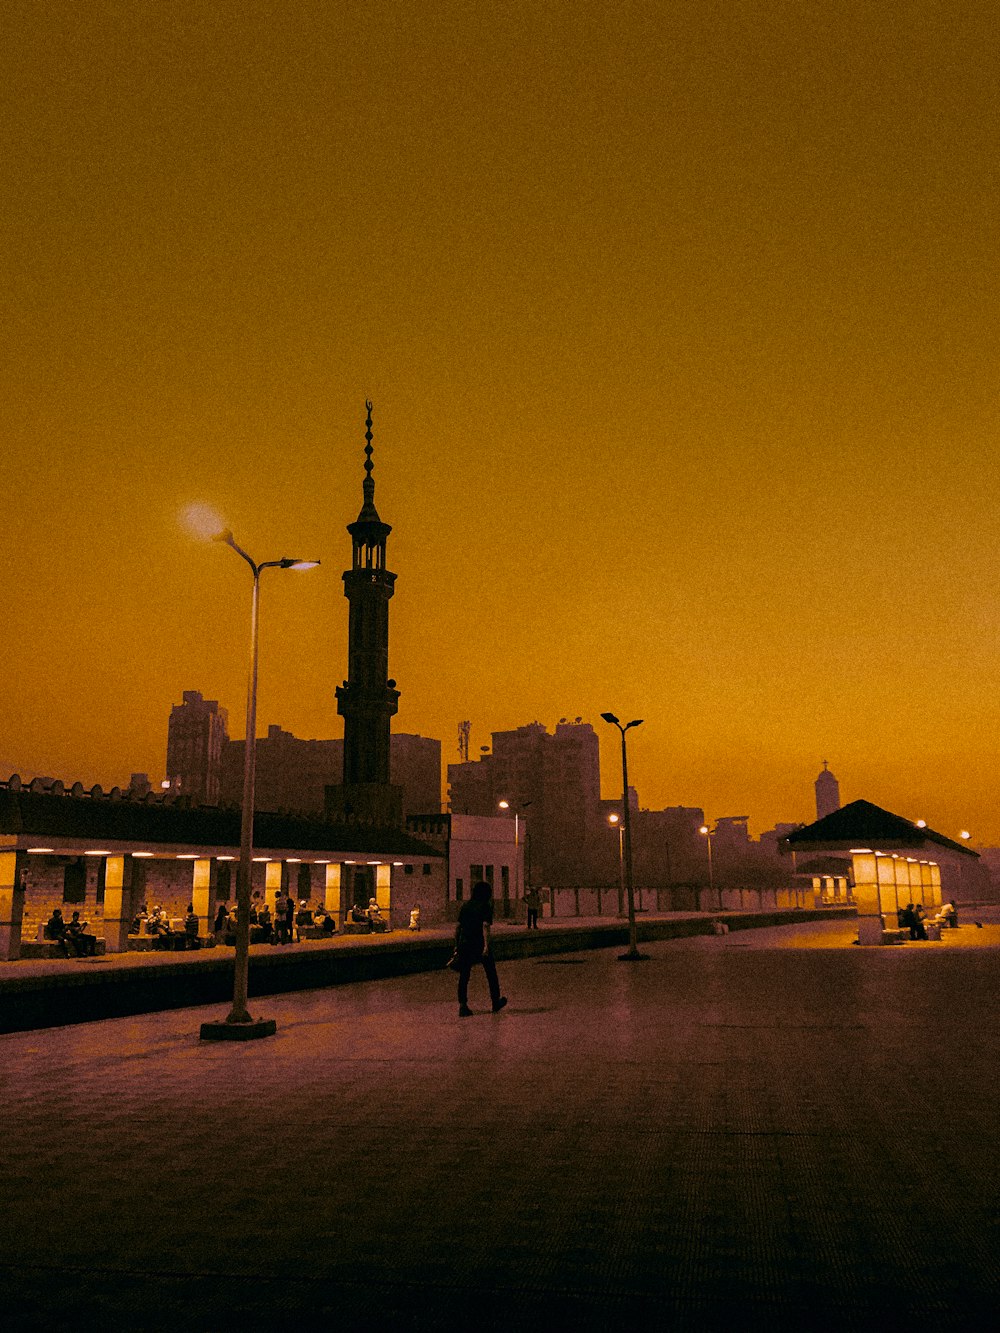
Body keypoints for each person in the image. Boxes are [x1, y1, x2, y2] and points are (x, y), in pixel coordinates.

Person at [454, 880, 507, 1018]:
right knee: (491, 973)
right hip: (478, 944)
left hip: (465, 944)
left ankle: (463, 1005)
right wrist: (486, 946)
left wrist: (456, 946)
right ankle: (495, 1001)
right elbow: (485, 928)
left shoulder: (465, 906)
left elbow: (458, 928)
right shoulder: (486, 907)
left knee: (464, 975)